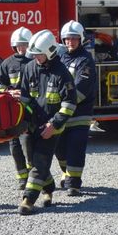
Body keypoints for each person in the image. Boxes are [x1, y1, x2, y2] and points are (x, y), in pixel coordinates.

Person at [17, 29, 77, 215]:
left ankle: (28, 199)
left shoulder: (62, 73)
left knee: (40, 162)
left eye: (39, 54)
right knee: (31, 160)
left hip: (52, 128)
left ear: (50, 51)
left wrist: (54, 125)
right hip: (31, 126)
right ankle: (49, 187)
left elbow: (69, 104)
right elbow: (25, 99)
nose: (36, 58)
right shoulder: (29, 68)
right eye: (34, 54)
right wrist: (23, 124)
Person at [55, 20, 96, 197]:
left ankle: (74, 184)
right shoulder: (60, 58)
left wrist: (61, 103)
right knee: (60, 148)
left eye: (73, 39)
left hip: (80, 113)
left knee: (75, 148)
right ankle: (66, 174)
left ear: (81, 40)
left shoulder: (85, 61)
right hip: (61, 112)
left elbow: (81, 88)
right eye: (67, 39)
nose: (70, 42)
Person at [0, 27, 33, 190]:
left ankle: (34, 177)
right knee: (14, 145)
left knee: (28, 144)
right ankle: (22, 178)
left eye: (25, 45)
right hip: (11, 112)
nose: (22, 48)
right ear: (14, 46)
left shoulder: (34, 62)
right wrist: (9, 91)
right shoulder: (7, 63)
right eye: (19, 45)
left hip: (28, 111)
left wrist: (24, 94)